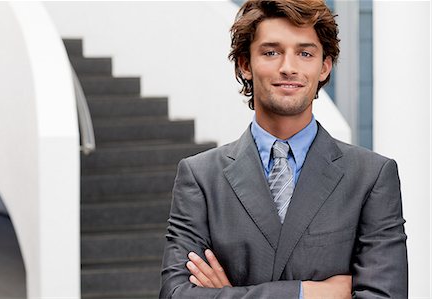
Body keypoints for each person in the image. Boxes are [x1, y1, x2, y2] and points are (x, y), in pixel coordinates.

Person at [159, 0, 408, 298]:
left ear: (324, 67)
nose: (288, 67)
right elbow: (175, 294)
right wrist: (306, 292)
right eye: (271, 52)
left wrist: (228, 294)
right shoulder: (200, 176)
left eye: (304, 53)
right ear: (245, 65)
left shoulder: (371, 176)